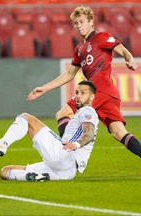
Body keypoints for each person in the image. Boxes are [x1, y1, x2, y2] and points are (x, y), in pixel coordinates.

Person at [27, 5, 141, 158]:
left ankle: (65, 154)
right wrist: (45, 88)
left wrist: (130, 60)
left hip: (100, 89)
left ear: (91, 22)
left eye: (82, 22)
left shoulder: (101, 37)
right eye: (76, 23)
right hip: (106, 94)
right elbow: (69, 74)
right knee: (118, 132)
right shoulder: (79, 49)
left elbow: (123, 50)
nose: (79, 26)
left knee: (63, 114)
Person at [0, 81, 98, 181]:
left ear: (92, 97)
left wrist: (75, 145)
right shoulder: (79, 113)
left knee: (26, 118)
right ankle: (34, 177)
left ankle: (2, 144)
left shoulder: (87, 111)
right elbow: (65, 121)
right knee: (5, 171)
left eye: (83, 93)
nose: (78, 95)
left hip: (66, 156)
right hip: (67, 172)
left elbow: (90, 133)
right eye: (76, 92)